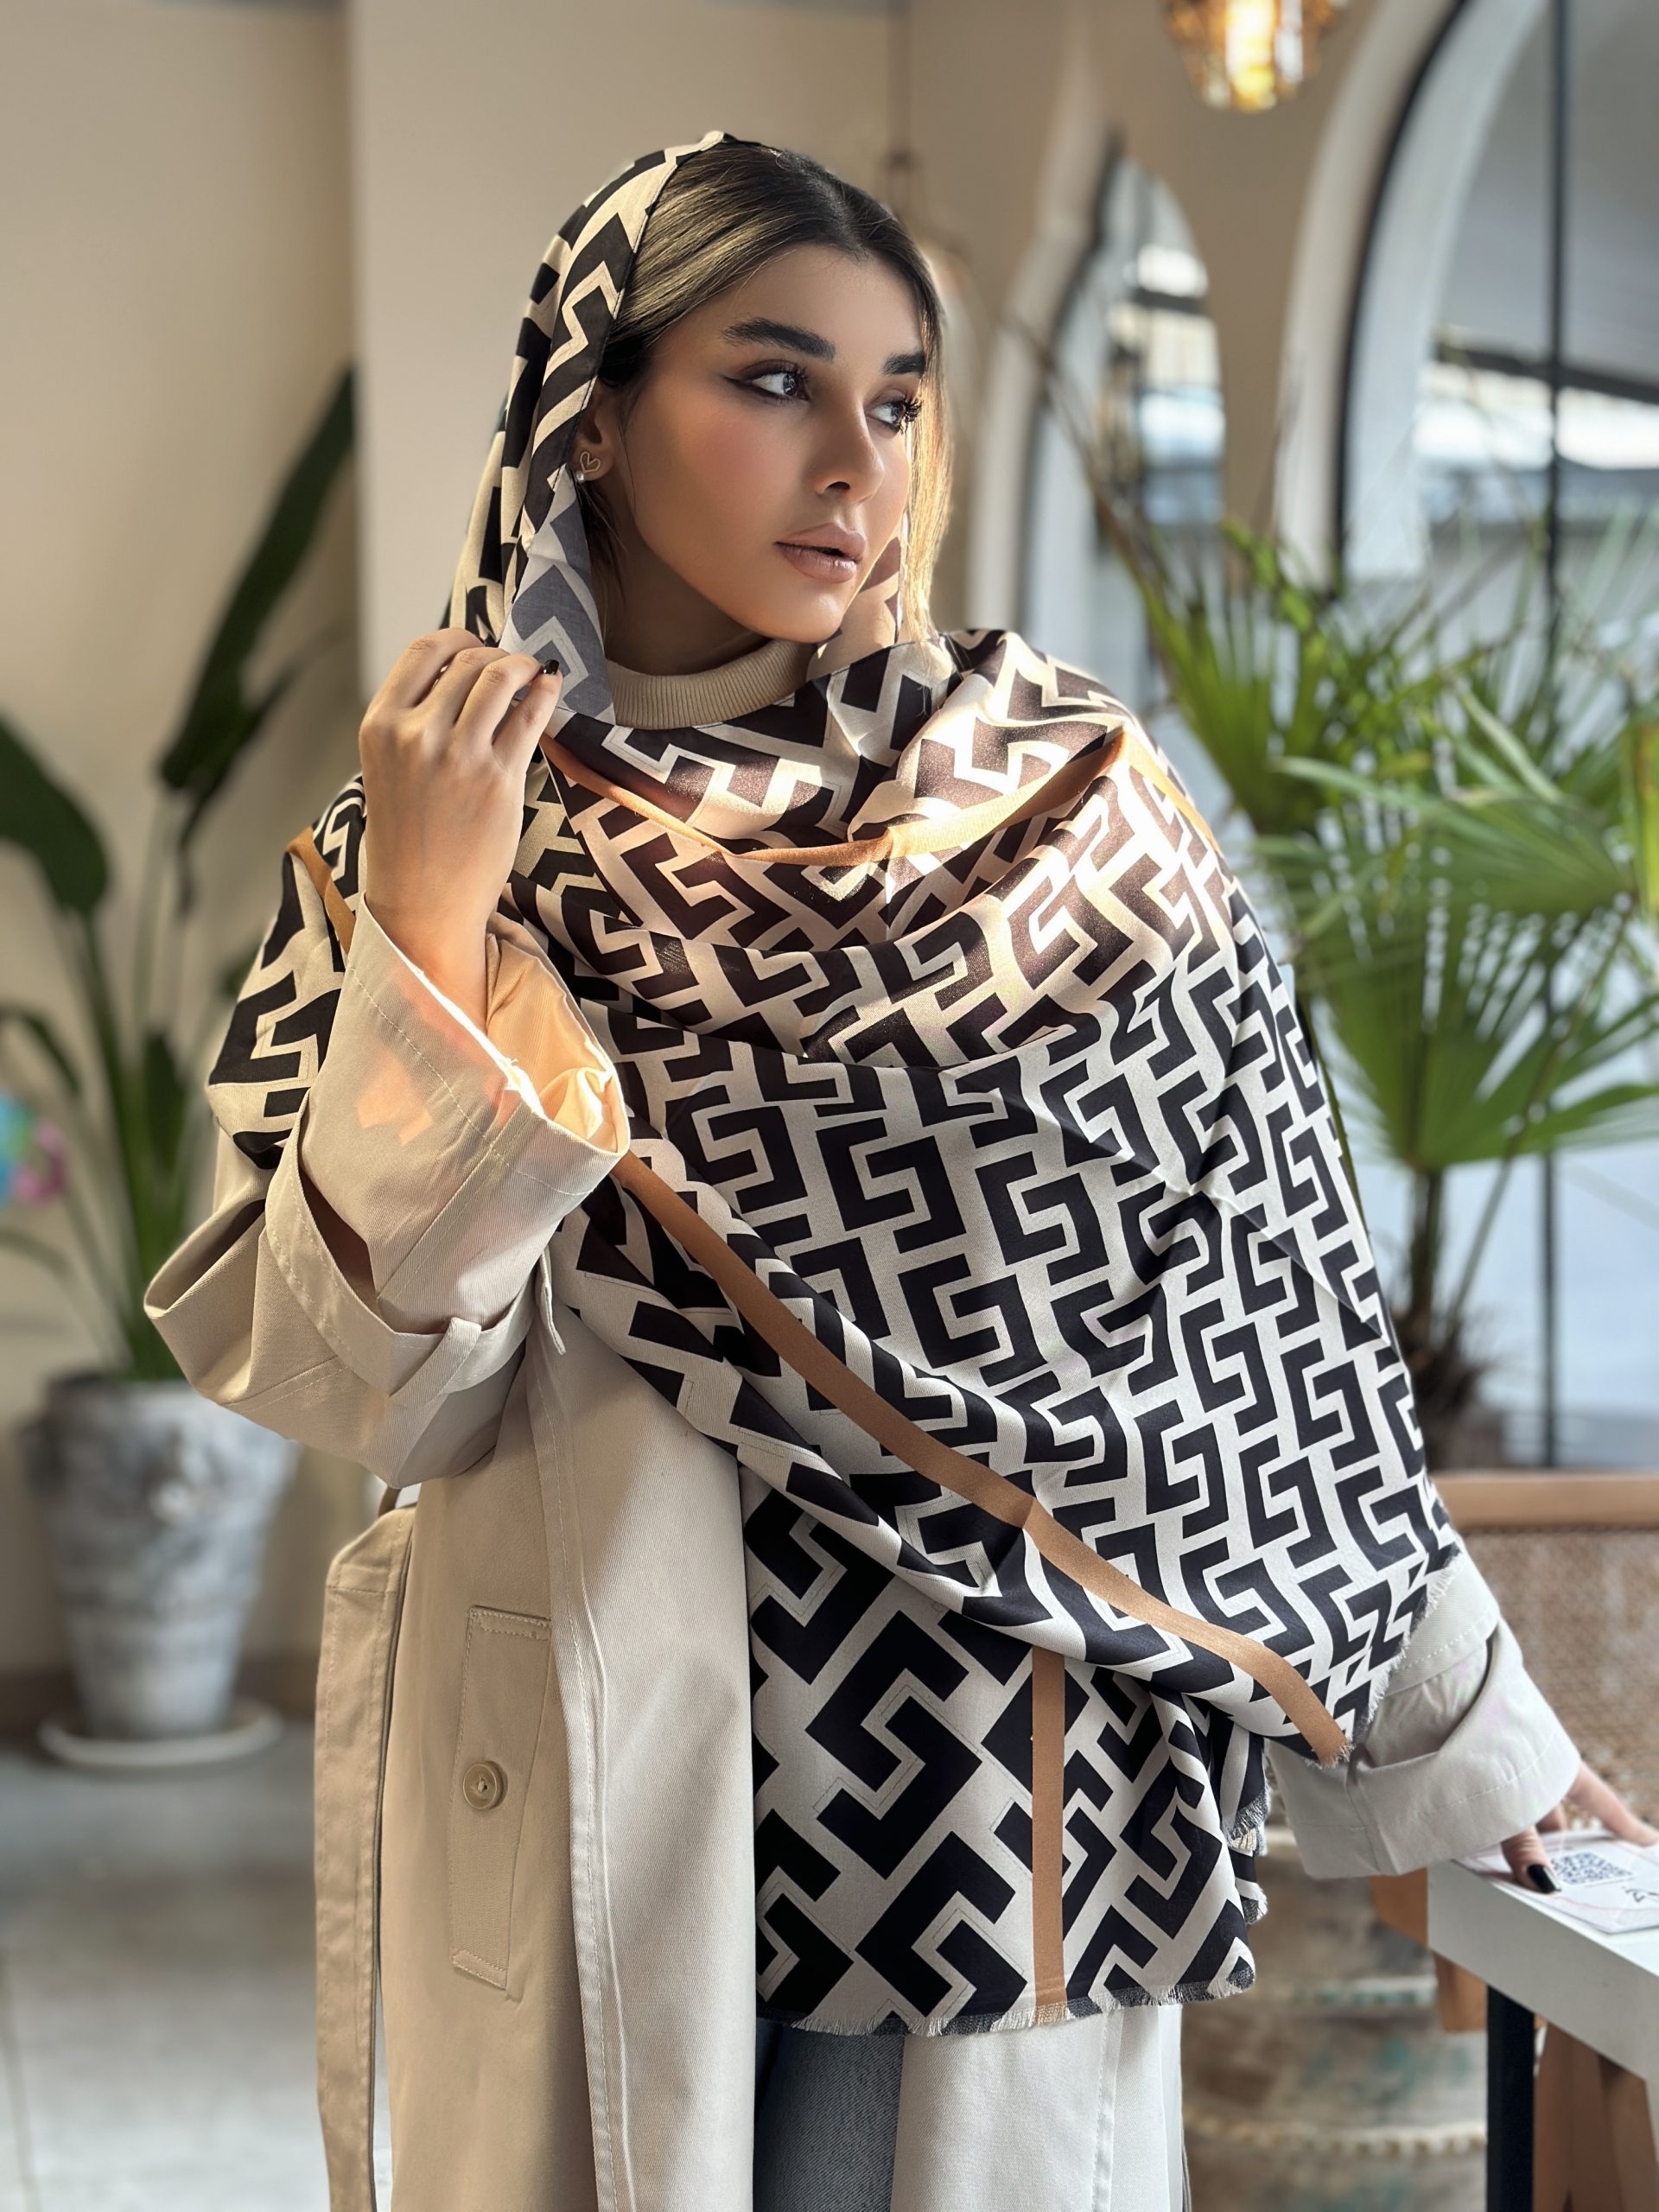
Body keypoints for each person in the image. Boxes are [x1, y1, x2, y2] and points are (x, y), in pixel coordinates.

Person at [143, 130, 1655, 2212]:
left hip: (1007, 1811)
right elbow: (360, 1386)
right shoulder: (433, 832)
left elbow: (1269, 1331)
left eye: (898, 397)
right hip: (611, 1785)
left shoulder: (1068, 807)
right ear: (593, 415)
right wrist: (427, 927)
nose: (856, 462)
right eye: (774, 380)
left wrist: (1475, 1735)